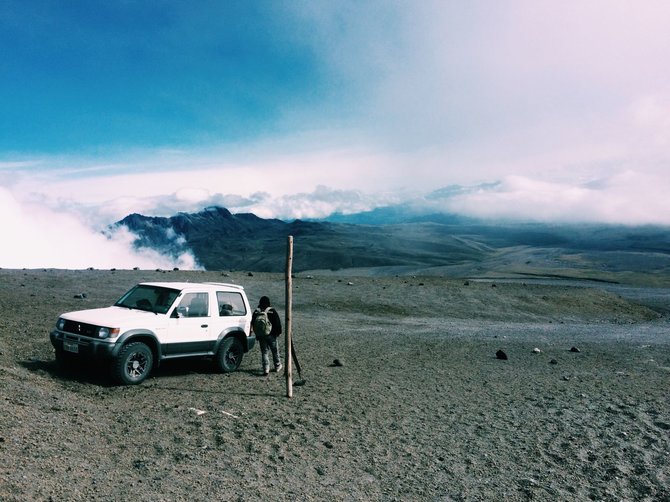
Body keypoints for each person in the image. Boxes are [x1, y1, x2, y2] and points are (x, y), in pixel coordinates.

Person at [251, 296, 282, 376]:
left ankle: (266, 368)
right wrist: (278, 332)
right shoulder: (271, 311)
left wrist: (257, 334)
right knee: (275, 351)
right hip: (271, 335)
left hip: (261, 335)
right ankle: (277, 366)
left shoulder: (256, 311)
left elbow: (253, 323)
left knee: (264, 352)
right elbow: (277, 323)